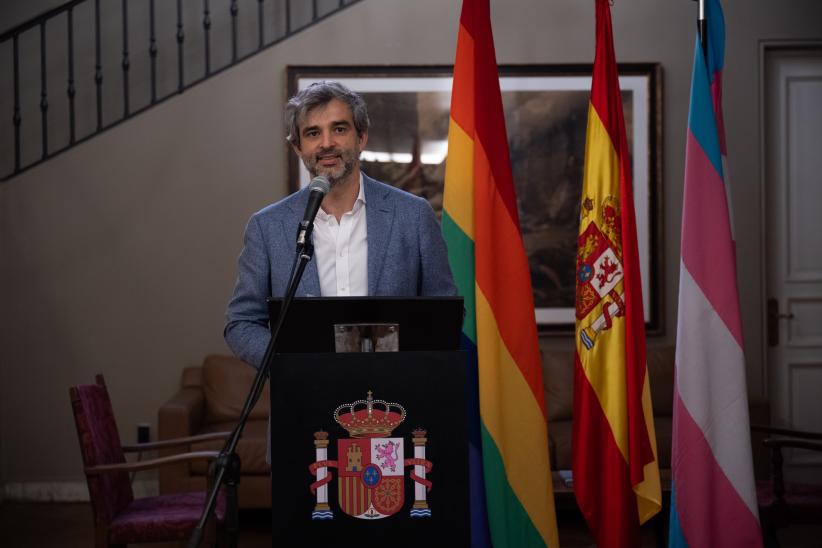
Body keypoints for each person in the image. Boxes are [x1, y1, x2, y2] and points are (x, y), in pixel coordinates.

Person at [224, 81, 457, 368]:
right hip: (306, 400)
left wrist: (407, 369)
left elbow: (443, 315)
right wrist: (289, 366)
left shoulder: (414, 215)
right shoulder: (267, 226)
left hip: (395, 401)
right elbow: (242, 322)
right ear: (298, 147)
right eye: (313, 133)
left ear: (361, 137)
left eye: (339, 129)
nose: (326, 143)